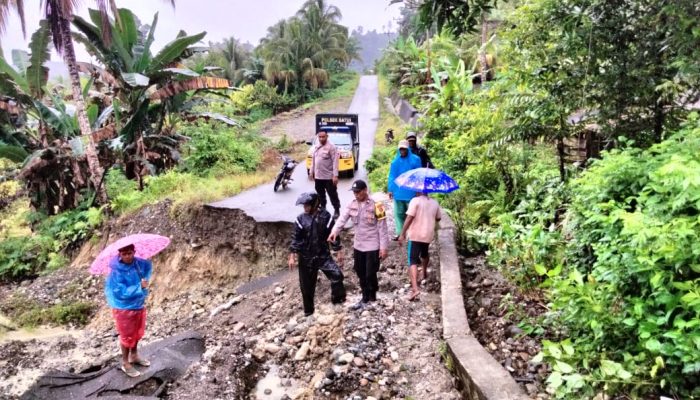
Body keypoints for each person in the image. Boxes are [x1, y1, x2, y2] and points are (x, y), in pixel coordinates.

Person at [328, 180, 389, 311]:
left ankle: (369, 297)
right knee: (360, 272)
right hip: (359, 245)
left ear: (365, 190)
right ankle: (366, 296)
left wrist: (383, 247)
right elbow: (342, 219)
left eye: (358, 192)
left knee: (370, 273)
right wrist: (334, 231)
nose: (356, 195)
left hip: (373, 245)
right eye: (354, 192)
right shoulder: (352, 205)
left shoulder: (377, 206)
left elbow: (382, 228)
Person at [288, 192, 346, 316]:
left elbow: (333, 233)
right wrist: (292, 255)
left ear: (315, 204)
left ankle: (338, 302)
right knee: (307, 287)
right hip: (306, 257)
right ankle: (309, 313)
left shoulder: (325, 216)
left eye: (307, 205)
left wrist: (338, 249)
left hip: (322, 255)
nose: (305, 208)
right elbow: (295, 238)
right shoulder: (300, 219)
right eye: (304, 205)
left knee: (337, 275)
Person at [105, 244, 153, 378]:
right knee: (126, 334)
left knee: (137, 331)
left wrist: (144, 281)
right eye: (124, 254)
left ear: (134, 252)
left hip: (138, 303)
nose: (128, 256)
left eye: (130, 253)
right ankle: (125, 362)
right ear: (120, 254)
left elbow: (147, 268)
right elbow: (119, 291)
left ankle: (134, 355)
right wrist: (139, 286)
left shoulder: (138, 264)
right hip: (123, 307)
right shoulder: (116, 271)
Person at [398, 192, 442, 301]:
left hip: (415, 235)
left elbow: (409, 218)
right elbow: (438, 218)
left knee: (412, 260)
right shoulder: (435, 203)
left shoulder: (415, 201)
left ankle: (415, 289)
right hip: (427, 235)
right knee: (424, 253)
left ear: (418, 190)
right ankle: (424, 272)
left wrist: (402, 233)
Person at [387, 140, 421, 240]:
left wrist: (418, 190)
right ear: (398, 149)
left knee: (411, 214)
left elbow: (418, 175)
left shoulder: (415, 160)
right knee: (399, 214)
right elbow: (392, 176)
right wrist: (390, 189)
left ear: (408, 149)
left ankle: (412, 233)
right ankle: (400, 233)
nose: (402, 151)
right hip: (398, 192)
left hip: (411, 192)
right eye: (401, 149)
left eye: (404, 149)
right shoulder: (395, 162)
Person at [310, 131, 341, 218]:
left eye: (323, 137)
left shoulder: (331, 147)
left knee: (332, 194)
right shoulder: (316, 145)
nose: (321, 139)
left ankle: (337, 210)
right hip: (318, 177)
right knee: (320, 195)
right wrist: (311, 171)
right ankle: (323, 209)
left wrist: (335, 175)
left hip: (328, 177)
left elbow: (335, 162)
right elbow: (314, 159)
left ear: (327, 136)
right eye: (320, 137)